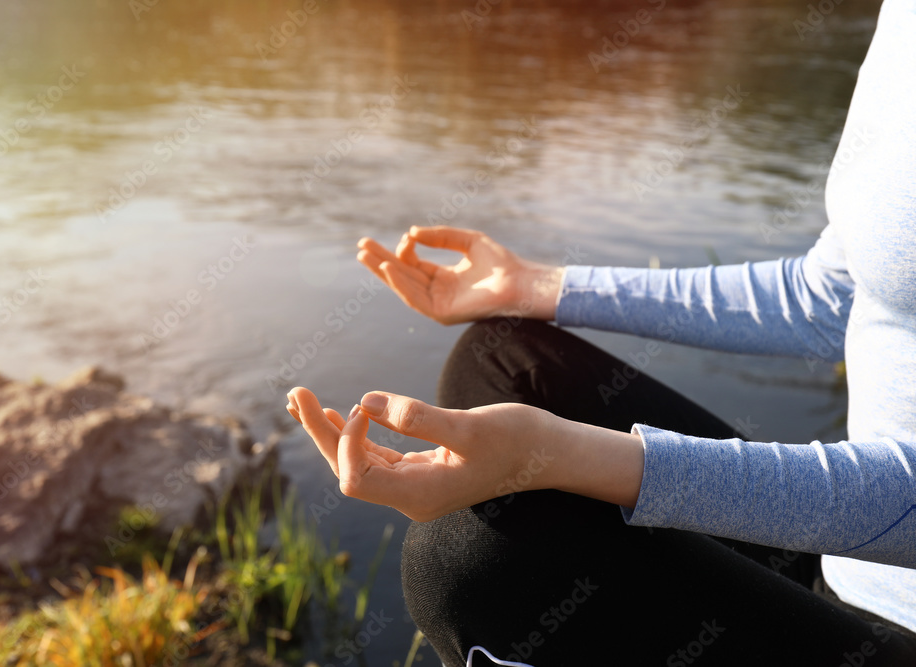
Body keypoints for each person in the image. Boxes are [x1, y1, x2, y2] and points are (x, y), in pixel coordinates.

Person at [286, 0, 916, 664]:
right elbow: (827, 297)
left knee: (469, 557)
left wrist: (565, 454)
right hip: (842, 572)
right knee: (503, 362)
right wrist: (533, 287)